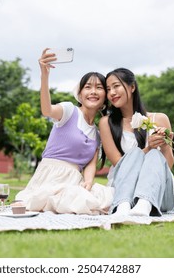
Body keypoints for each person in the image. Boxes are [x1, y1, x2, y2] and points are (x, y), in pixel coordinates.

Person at [15, 48, 113, 214]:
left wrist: (88, 182)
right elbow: (47, 110)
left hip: (75, 180)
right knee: (76, 202)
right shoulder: (69, 111)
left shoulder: (97, 132)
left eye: (99, 88)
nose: (93, 91)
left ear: (105, 97)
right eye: (88, 87)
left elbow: (90, 163)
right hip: (51, 176)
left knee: (107, 196)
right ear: (80, 94)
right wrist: (44, 75)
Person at [99, 68, 174, 217]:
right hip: (122, 190)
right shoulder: (106, 123)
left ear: (132, 87)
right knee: (140, 153)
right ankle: (124, 206)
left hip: (159, 193)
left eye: (116, 86)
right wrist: (148, 148)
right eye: (108, 89)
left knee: (155, 154)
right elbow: (119, 163)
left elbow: (167, 165)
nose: (111, 93)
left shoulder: (160, 119)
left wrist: (164, 146)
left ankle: (144, 203)